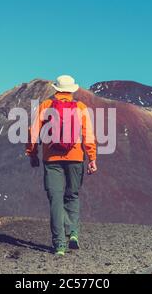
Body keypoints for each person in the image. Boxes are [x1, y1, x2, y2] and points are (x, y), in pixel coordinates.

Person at [26, 75, 97, 256]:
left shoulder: (46, 106)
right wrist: (92, 158)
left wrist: (32, 153)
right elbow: (88, 135)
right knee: (72, 195)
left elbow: (33, 131)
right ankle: (73, 232)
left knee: (55, 200)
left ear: (56, 89)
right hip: (75, 157)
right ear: (72, 90)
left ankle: (59, 245)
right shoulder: (80, 108)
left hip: (52, 160)